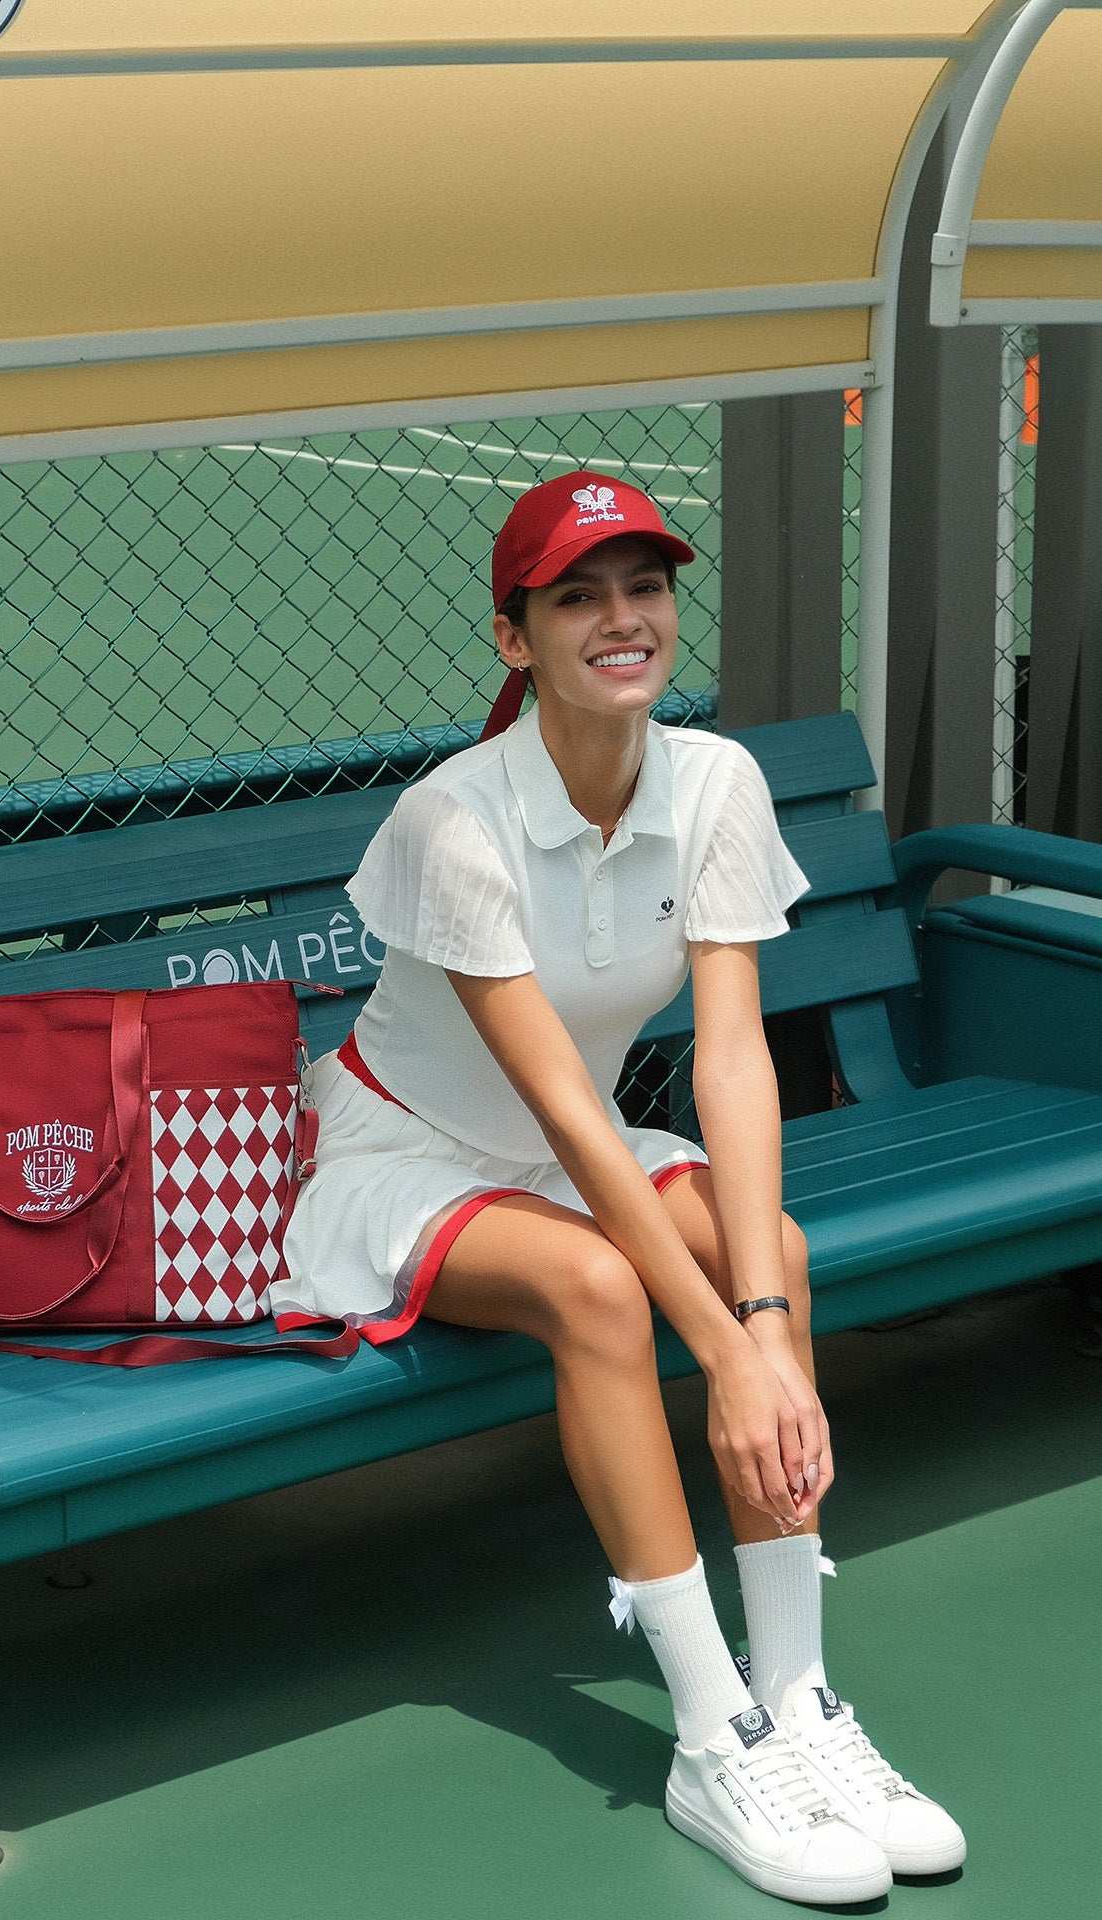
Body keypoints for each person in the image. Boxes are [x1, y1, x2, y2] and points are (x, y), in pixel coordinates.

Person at [275, 470, 965, 1904]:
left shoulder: (716, 780)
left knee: (765, 1237)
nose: (622, 618)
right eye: (577, 595)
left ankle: (800, 1705)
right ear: (515, 639)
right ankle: (713, 1739)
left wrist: (764, 1324)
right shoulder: (452, 818)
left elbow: (728, 1062)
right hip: (406, 1160)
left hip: (569, 1151)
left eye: (643, 587)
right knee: (601, 1285)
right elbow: (564, 1114)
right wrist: (720, 1352)